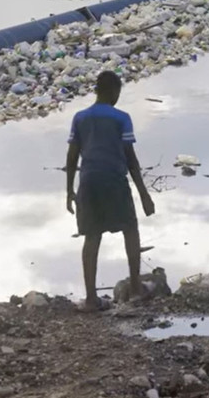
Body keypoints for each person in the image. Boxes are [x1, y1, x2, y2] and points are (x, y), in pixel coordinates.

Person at [66, 71, 155, 312]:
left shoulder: (80, 118)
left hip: (88, 182)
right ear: (115, 92)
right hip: (114, 181)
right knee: (130, 229)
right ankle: (136, 287)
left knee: (92, 236)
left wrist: (69, 191)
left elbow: (72, 157)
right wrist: (144, 194)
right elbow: (131, 160)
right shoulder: (121, 118)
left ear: (96, 91)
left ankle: (91, 299)